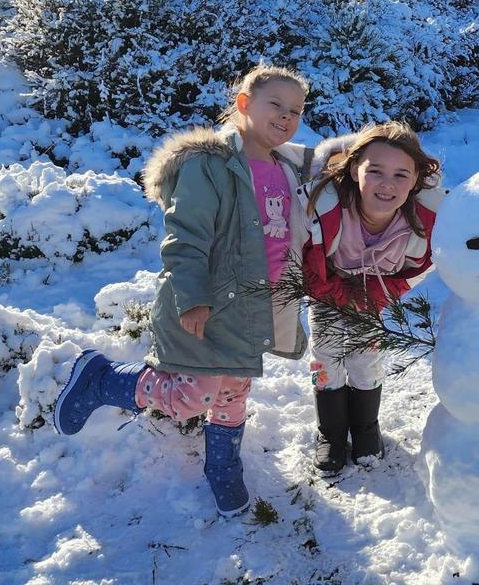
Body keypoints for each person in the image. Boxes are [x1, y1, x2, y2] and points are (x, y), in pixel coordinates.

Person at [52, 65, 314, 517]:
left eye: (296, 110)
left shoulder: (286, 165)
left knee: (234, 389)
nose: (287, 116)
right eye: (276, 105)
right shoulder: (207, 165)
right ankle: (102, 379)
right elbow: (185, 236)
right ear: (244, 104)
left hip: (257, 306)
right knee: (191, 395)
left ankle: (222, 464)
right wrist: (193, 298)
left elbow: (341, 160)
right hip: (211, 303)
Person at [299, 122, 444, 475]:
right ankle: (330, 433)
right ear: (354, 169)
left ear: (416, 180)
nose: (387, 184)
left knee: (367, 357)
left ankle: (365, 427)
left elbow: (419, 267)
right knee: (326, 357)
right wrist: (336, 294)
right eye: (375, 171)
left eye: (400, 174)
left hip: (374, 295)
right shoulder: (327, 209)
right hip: (329, 291)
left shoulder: (423, 222)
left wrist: (378, 294)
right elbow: (308, 262)